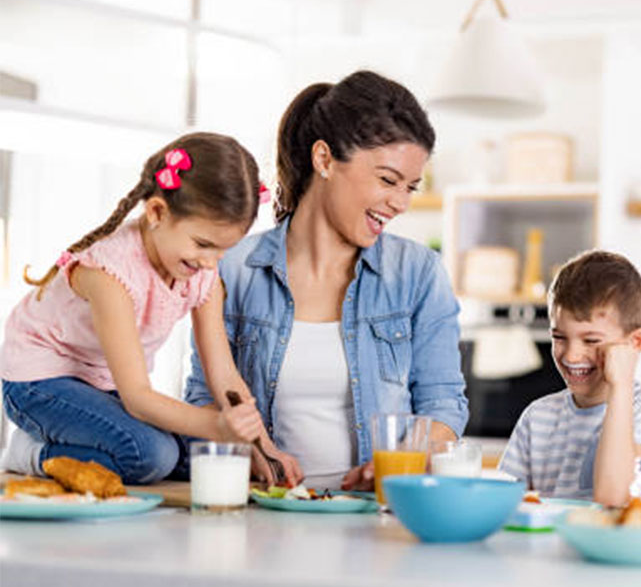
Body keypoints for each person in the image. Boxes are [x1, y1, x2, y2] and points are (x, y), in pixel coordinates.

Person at [185, 71, 468, 491]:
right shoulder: (232, 269)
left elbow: (444, 403)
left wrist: (406, 461)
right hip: (265, 516)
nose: (401, 203)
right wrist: (249, 455)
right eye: (388, 180)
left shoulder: (418, 274)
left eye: (410, 187)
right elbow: (203, 400)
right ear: (324, 160)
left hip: (376, 519)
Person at [0, 132, 294, 485]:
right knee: (150, 455)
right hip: (38, 380)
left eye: (222, 250)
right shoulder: (109, 272)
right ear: (156, 212)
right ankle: (31, 453)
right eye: (203, 244)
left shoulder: (204, 273)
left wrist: (263, 446)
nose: (210, 262)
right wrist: (217, 425)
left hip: (101, 385)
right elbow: (138, 398)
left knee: (211, 454)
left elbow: (225, 376)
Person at [499, 250, 641, 506]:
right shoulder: (537, 417)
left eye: (591, 340)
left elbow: (614, 497)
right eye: (559, 337)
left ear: (635, 342)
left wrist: (621, 384)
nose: (571, 356)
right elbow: (507, 508)